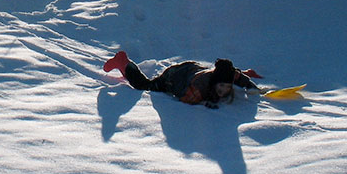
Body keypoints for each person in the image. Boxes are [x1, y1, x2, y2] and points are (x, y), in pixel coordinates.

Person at [104, 51, 261, 108]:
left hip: (193, 68)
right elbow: (186, 101)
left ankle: (125, 66)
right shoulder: (198, 88)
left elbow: (237, 77)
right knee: (144, 85)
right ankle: (124, 62)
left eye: (227, 87)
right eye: (221, 87)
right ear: (214, 83)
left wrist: (251, 86)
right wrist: (205, 103)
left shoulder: (226, 74)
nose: (224, 91)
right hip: (173, 77)